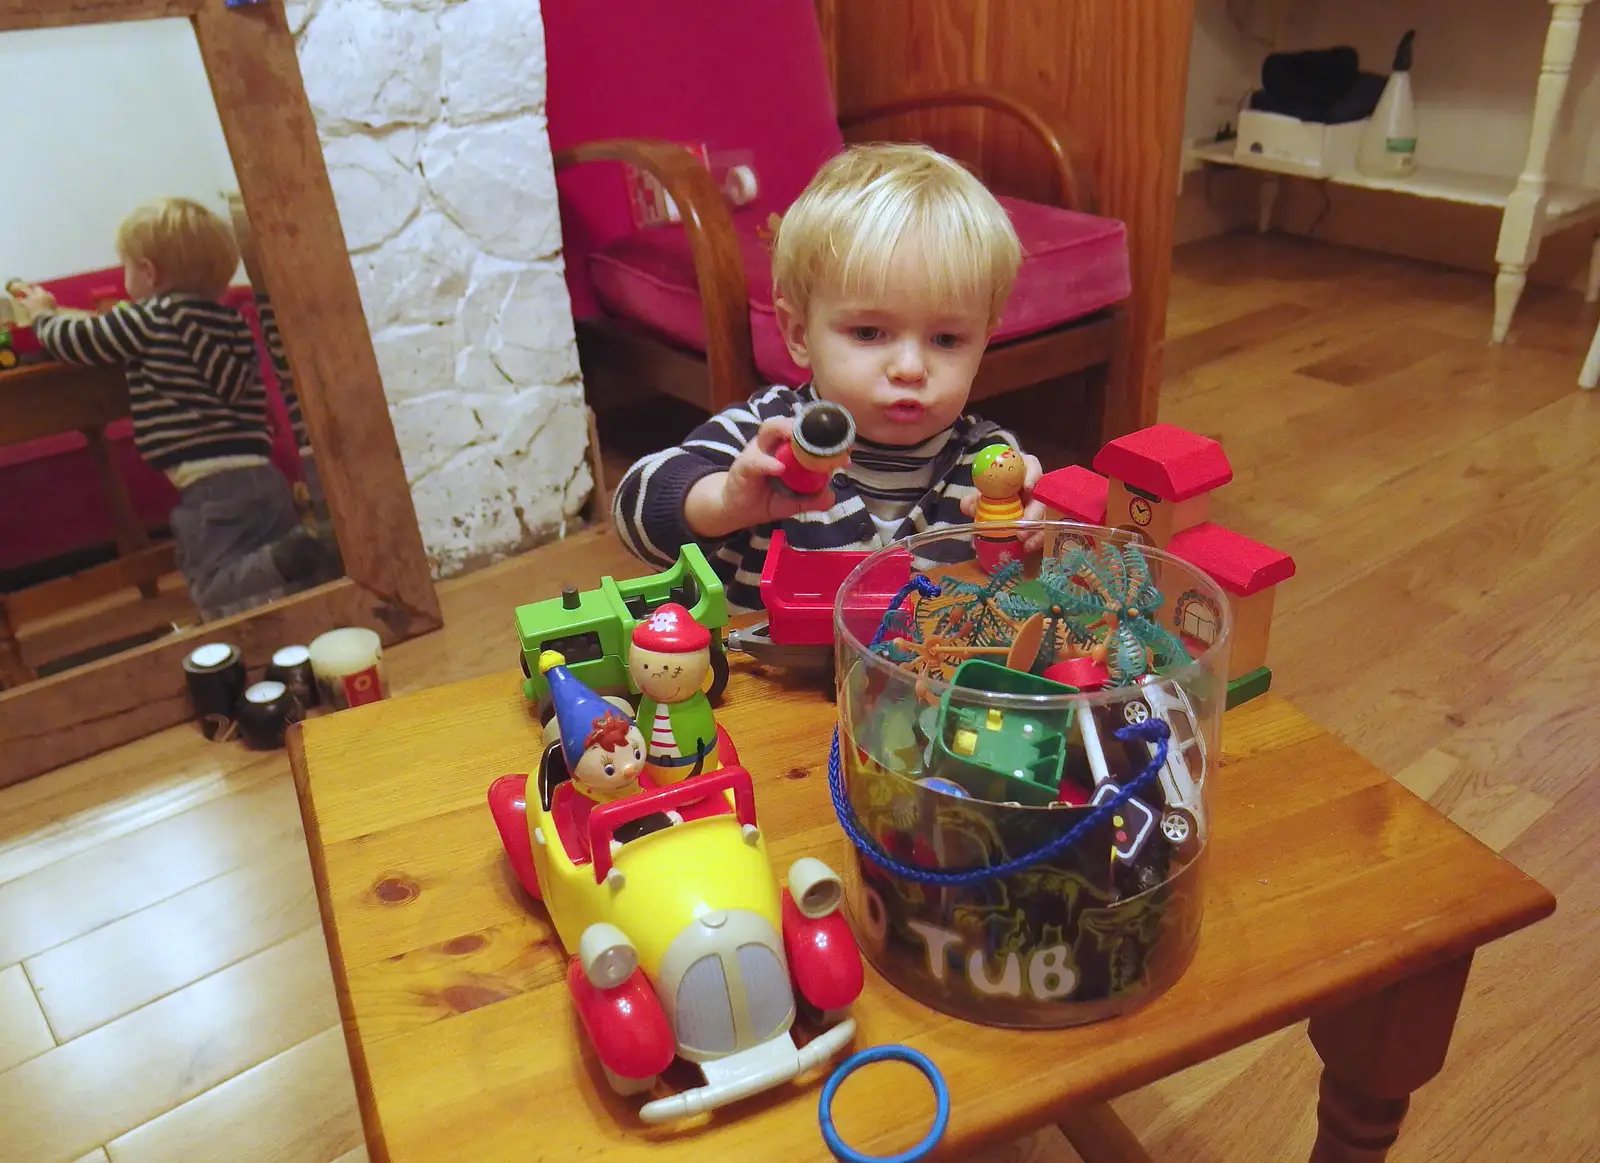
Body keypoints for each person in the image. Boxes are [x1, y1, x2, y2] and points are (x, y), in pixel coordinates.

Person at [612, 142, 1047, 612]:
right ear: (798, 333)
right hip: (765, 683)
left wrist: (1035, 528)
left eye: (946, 340)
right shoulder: (767, 436)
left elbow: (1021, 591)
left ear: (984, 340)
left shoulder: (988, 461)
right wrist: (725, 503)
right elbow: (636, 507)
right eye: (868, 332)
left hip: (918, 679)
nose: (910, 368)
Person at [15, 197, 338, 620]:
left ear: (148, 272)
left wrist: (43, 316)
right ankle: (302, 589)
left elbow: (81, 341)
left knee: (212, 588)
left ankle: (299, 550)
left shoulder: (152, 318)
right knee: (276, 578)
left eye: (126, 266)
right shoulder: (230, 323)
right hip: (261, 475)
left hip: (207, 488)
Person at [627, 603, 719, 784]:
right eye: (645, 667)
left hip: (695, 774)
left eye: (670, 670)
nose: (654, 675)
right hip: (651, 774)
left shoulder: (695, 705)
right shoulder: (647, 705)